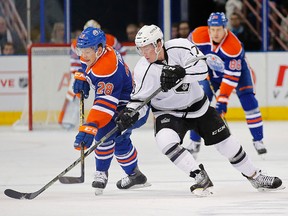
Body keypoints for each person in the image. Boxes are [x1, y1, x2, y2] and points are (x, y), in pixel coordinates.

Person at [115, 24, 284, 196]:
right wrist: (130, 113)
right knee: (164, 140)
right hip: (168, 113)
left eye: (147, 48)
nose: (143, 53)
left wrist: (181, 74)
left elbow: (203, 69)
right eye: (140, 49)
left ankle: (256, 176)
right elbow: (139, 100)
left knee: (228, 145)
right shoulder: (142, 69)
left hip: (198, 106)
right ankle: (199, 176)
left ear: (159, 43)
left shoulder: (181, 46)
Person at [72, 27, 150, 195]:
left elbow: (104, 106)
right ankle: (135, 175)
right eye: (81, 51)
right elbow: (87, 63)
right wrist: (82, 75)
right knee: (120, 141)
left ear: (99, 50)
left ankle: (101, 173)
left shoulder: (107, 67)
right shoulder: (102, 51)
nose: (82, 56)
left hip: (133, 108)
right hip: (122, 104)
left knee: (104, 132)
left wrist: (91, 126)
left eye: (86, 51)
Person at [187, 12, 266, 156]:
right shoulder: (198, 35)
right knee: (198, 103)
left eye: (218, 29)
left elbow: (230, 77)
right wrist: (200, 69)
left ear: (225, 28)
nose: (215, 33)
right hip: (211, 74)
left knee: (249, 101)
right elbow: (188, 51)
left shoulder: (233, 46)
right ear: (208, 28)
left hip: (238, 73)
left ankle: (258, 140)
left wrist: (222, 101)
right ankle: (194, 142)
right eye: (212, 29)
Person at [59, 19, 126, 129]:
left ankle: (109, 117)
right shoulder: (77, 43)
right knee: (75, 92)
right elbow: (74, 60)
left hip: (103, 71)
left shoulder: (109, 39)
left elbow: (122, 50)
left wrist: (117, 63)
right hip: (84, 71)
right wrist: (78, 74)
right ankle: (70, 120)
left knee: (106, 94)